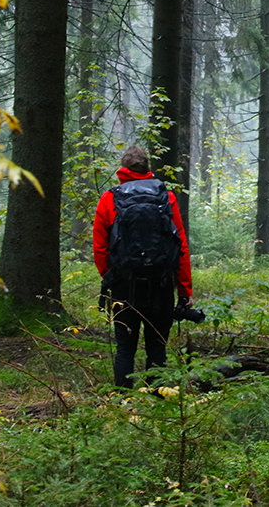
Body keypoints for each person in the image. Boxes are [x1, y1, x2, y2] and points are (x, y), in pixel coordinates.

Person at [92, 144, 193, 388]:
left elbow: (100, 248)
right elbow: (179, 244)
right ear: (149, 169)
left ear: (123, 170)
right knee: (157, 348)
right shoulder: (165, 197)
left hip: (124, 287)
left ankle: (122, 401)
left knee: (125, 349)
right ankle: (159, 399)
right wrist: (184, 290)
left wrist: (112, 276)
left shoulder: (109, 198)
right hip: (160, 285)